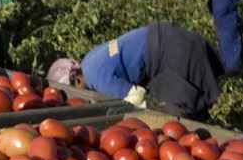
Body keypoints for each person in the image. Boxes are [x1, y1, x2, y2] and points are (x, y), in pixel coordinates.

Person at [47, 22, 226, 119]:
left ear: (77, 81)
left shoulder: (97, 79)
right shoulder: (89, 60)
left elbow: (136, 96)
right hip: (163, 37)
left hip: (168, 52)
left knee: (181, 111)